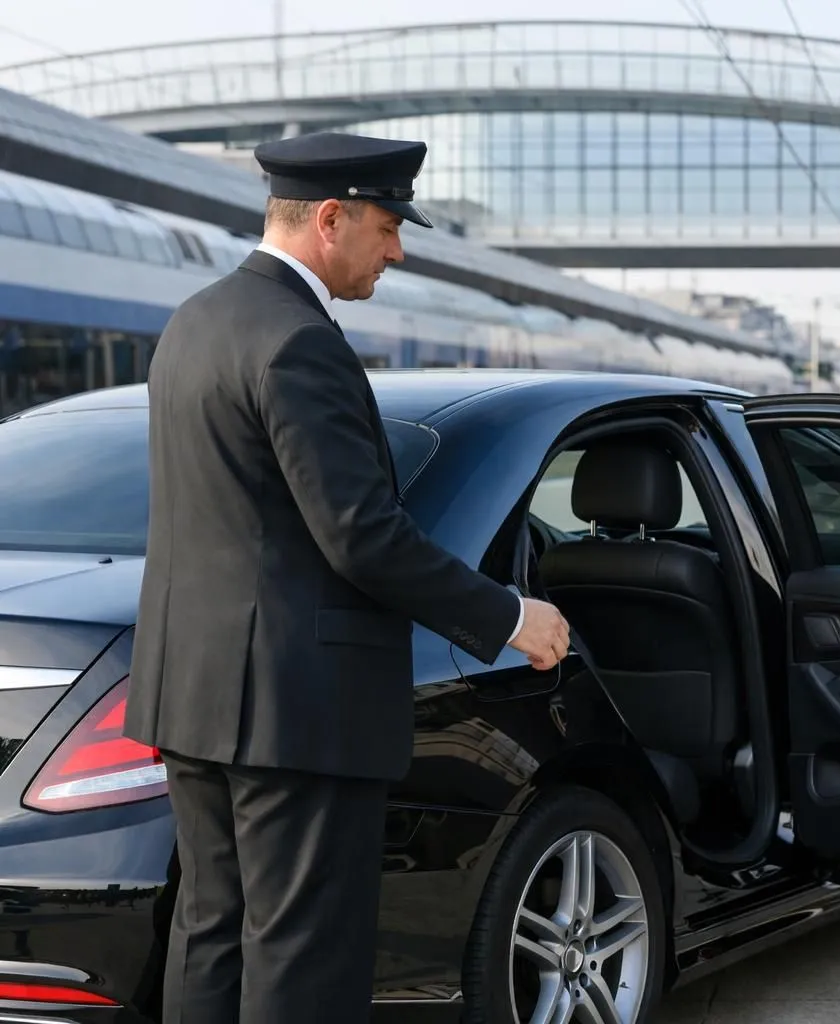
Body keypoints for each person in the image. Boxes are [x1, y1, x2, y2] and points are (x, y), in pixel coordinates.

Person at [123, 131, 572, 1022]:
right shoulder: (300, 341)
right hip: (298, 710)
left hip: (195, 697)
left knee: (212, 932)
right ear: (331, 219)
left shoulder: (197, 321)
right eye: (388, 227)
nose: (396, 251)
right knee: (304, 956)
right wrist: (507, 615)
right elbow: (362, 536)